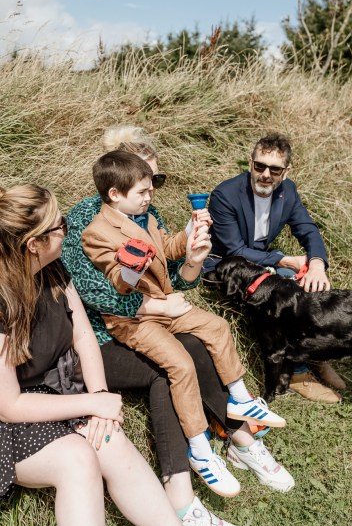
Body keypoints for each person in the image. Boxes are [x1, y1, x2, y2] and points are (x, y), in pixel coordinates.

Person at [62, 125, 294, 526]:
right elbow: (99, 296)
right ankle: (184, 489)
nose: (154, 194)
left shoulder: (145, 214)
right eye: (147, 184)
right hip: (100, 335)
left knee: (204, 337)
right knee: (169, 368)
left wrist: (192, 258)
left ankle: (236, 432)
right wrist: (156, 303)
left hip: (154, 312)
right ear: (116, 186)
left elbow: (173, 279)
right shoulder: (84, 223)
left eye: (158, 184)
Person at [0, 182, 208, 526]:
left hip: (42, 389)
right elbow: (7, 406)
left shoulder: (53, 270)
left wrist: (100, 395)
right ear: (33, 244)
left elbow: (84, 338)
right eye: (60, 227)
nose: (67, 229)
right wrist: (91, 404)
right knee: (77, 459)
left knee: (110, 441)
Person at [82, 149, 287, 460]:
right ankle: (199, 446)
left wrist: (190, 234)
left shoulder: (146, 218)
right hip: (135, 321)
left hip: (166, 305)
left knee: (216, 326)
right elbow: (118, 281)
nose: (149, 197)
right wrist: (130, 267)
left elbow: (167, 247)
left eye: (151, 189)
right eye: (142, 192)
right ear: (114, 194)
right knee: (180, 364)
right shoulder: (96, 233)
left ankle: (241, 398)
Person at [205, 133, 346, 404]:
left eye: (275, 169)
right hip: (227, 271)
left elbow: (306, 228)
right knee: (285, 291)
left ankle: (315, 353)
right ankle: (297, 373)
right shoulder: (225, 195)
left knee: (311, 285)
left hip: (262, 264)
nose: (265, 174)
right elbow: (234, 250)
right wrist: (282, 260)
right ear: (250, 164)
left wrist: (316, 263)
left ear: (286, 171)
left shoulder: (287, 190)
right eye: (260, 166)